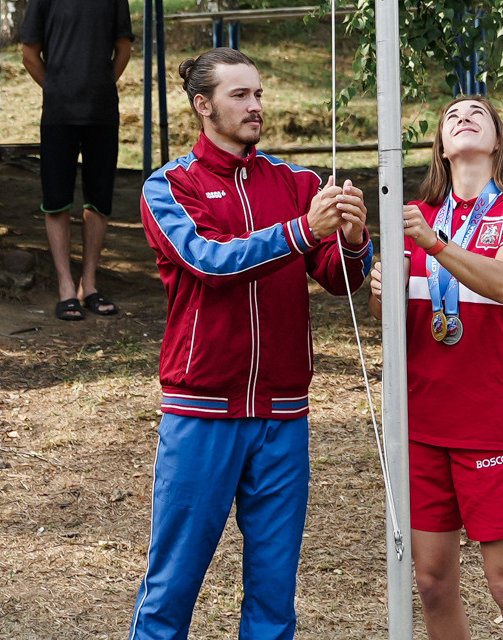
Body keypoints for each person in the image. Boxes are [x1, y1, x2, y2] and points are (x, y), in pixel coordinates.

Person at [131, 48, 370, 640]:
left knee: (274, 595)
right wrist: (301, 231)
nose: (255, 106)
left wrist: (355, 239)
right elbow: (209, 263)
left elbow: (339, 279)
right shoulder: (169, 187)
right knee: (171, 588)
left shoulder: (297, 182)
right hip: (202, 412)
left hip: (284, 415)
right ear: (203, 105)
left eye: (259, 93)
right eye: (240, 95)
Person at [391, 95, 503, 640]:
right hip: (422, 427)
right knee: (433, 583)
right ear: (440, 146)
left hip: (491, 424)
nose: (463, 119)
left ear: (497, 141)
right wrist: (374, 281)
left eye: (476, 114)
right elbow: (387, 313)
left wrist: (434, 246)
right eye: (451, 117)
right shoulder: (413, 216)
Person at [18, 0, 134, 320]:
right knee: (56, 201)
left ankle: (90, 284)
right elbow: (29, 54)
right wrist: (56, 87)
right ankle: (65, 285)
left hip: (102, 112)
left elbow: (123, 47)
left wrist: (103, 81)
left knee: (98, 200)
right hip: (59, 114)